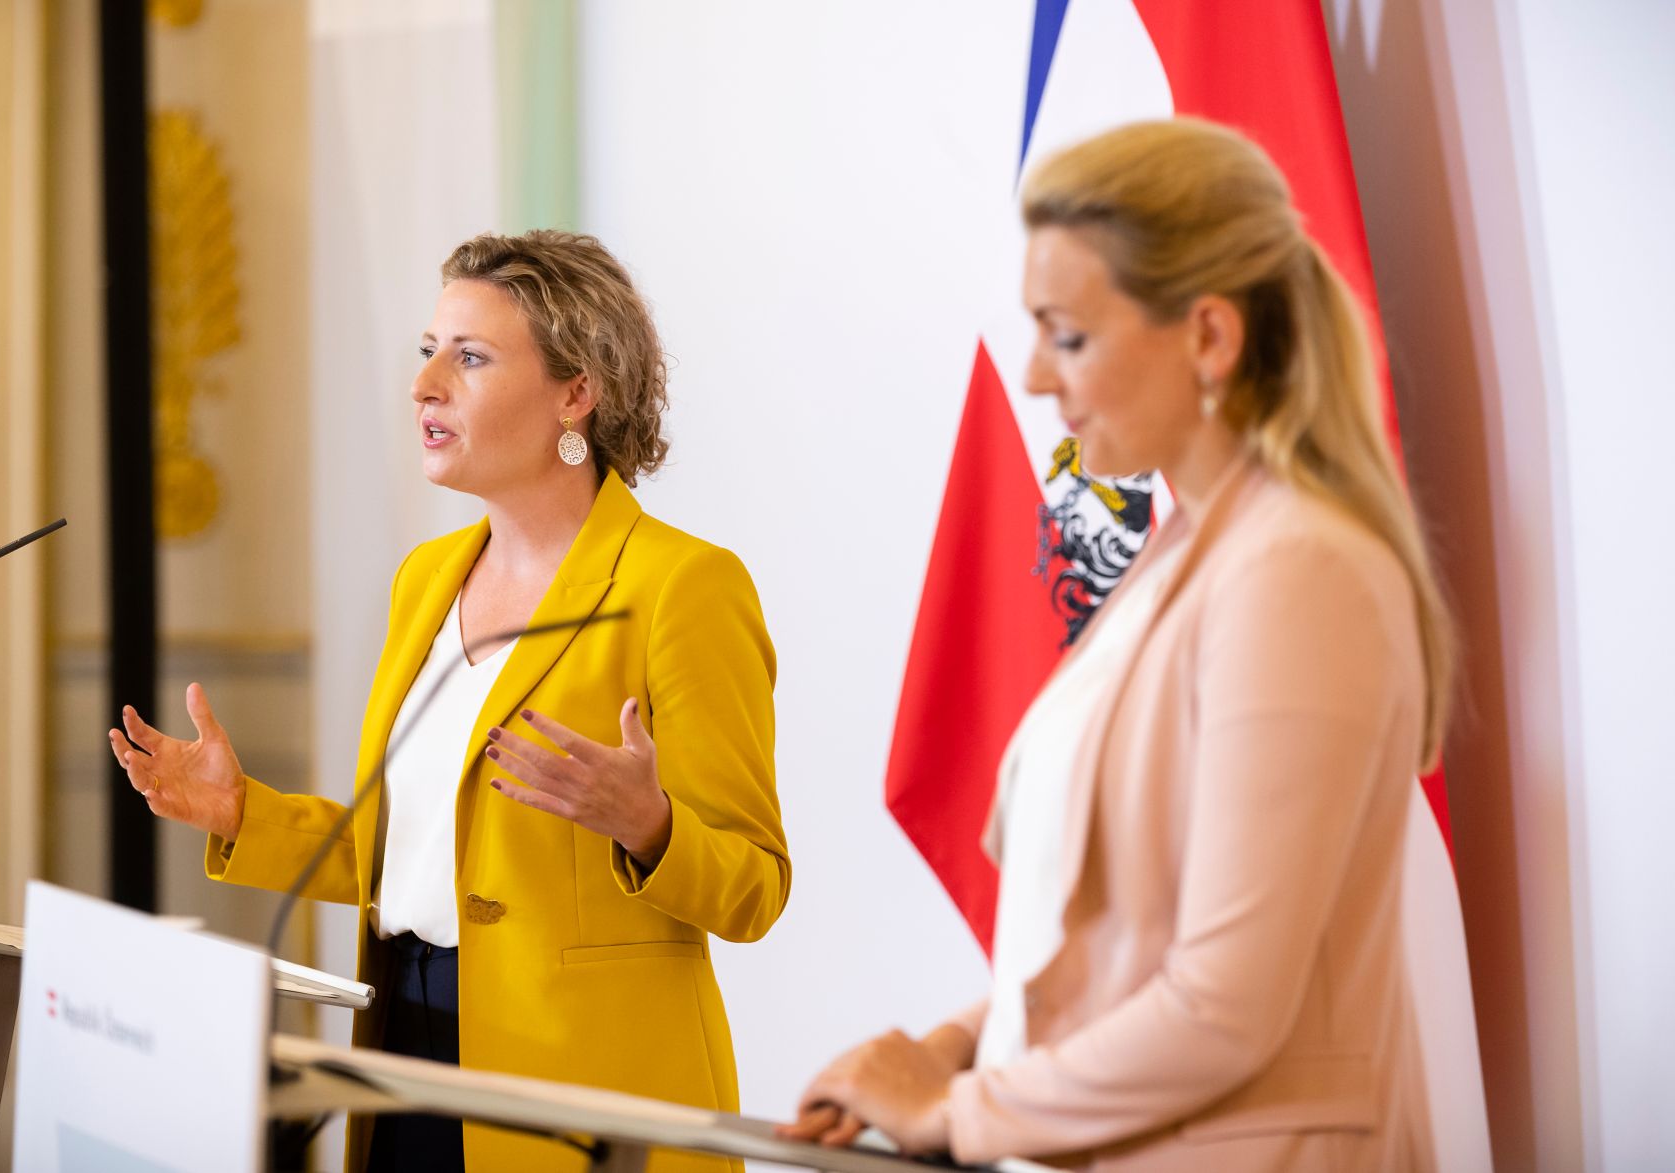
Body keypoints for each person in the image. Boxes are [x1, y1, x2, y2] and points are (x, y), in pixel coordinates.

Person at [781, 118, 1455, 1171]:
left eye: (1067, 334)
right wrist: (952, 1048)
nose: (1035, 376)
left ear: (1208, 338)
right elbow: (1119, 939)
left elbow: (1225, 1006)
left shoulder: (1297, 571)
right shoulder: (1180, 558)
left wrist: (954, 1112)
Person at [109, 230, 790, 1173]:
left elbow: (756, 886)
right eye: (426, 351)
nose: (426, 383)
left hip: (588, 1099)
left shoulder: (684, 586)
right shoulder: (426, 580)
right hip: (404, 1050)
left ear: (575, 392)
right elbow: (413, 856)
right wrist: (239, 812)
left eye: (469, 357)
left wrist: (652, 824)